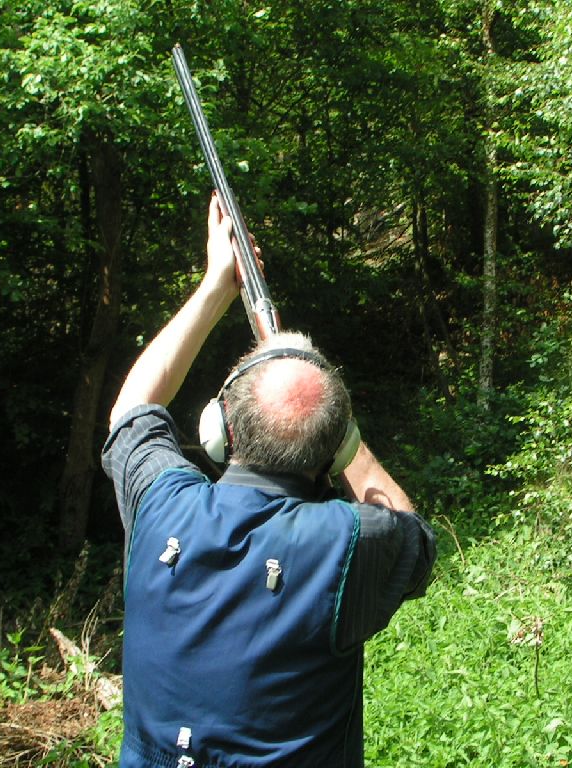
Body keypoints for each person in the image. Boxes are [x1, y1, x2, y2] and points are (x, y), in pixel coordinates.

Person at [101, 193, 436, 768]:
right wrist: (345, 440)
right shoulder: (348, 542)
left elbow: (132, 408)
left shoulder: (162, 505)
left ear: (220, 429)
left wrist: (214, 288)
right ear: (334, 448)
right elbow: (414, 537)